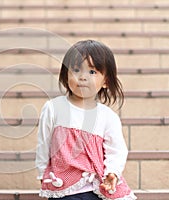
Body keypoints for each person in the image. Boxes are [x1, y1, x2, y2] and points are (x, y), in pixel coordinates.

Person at [35, 40, 137, 200]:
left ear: (106, 81)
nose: (82, 77)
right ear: (65, 75)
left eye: (92, 72)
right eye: (76, 70)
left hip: (98, 186)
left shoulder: (107, 116)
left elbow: (116, 150)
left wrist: (113, 172)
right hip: (65, 187)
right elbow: (44, 143)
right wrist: (43, 173)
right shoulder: (54, 108)